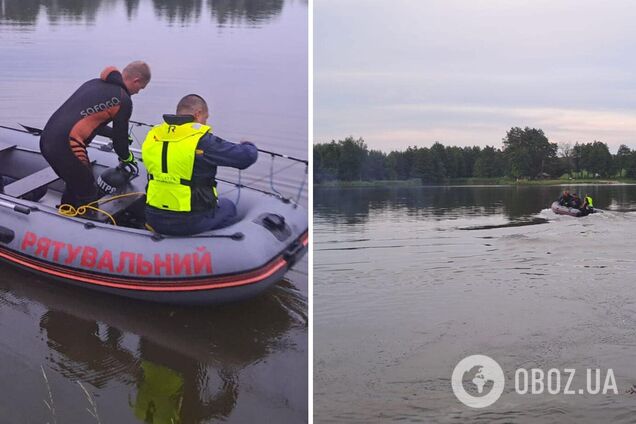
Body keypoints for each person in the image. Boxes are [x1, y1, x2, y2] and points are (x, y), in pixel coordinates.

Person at [142, 94, 257, 235]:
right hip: (188, 220)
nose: (206, 123)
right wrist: (248, 144)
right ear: (198, 114)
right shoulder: (202, 141)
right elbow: (246, 158)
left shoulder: (153, 135)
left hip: (153, 215)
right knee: (228, 207)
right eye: (205, 118)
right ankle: (210, 248)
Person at [39, 61, 151, 207]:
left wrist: (112, 133)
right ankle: (79, 225)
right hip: (66, 147)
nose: (137, 92)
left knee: (75, 182)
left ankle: (67, 211)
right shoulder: (123, 100)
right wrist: (127, 158)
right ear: (136, 80)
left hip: (47, 140)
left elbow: (87, 121)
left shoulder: (94, 84)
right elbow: (120, 142)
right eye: (140, 88)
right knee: (88, 193)